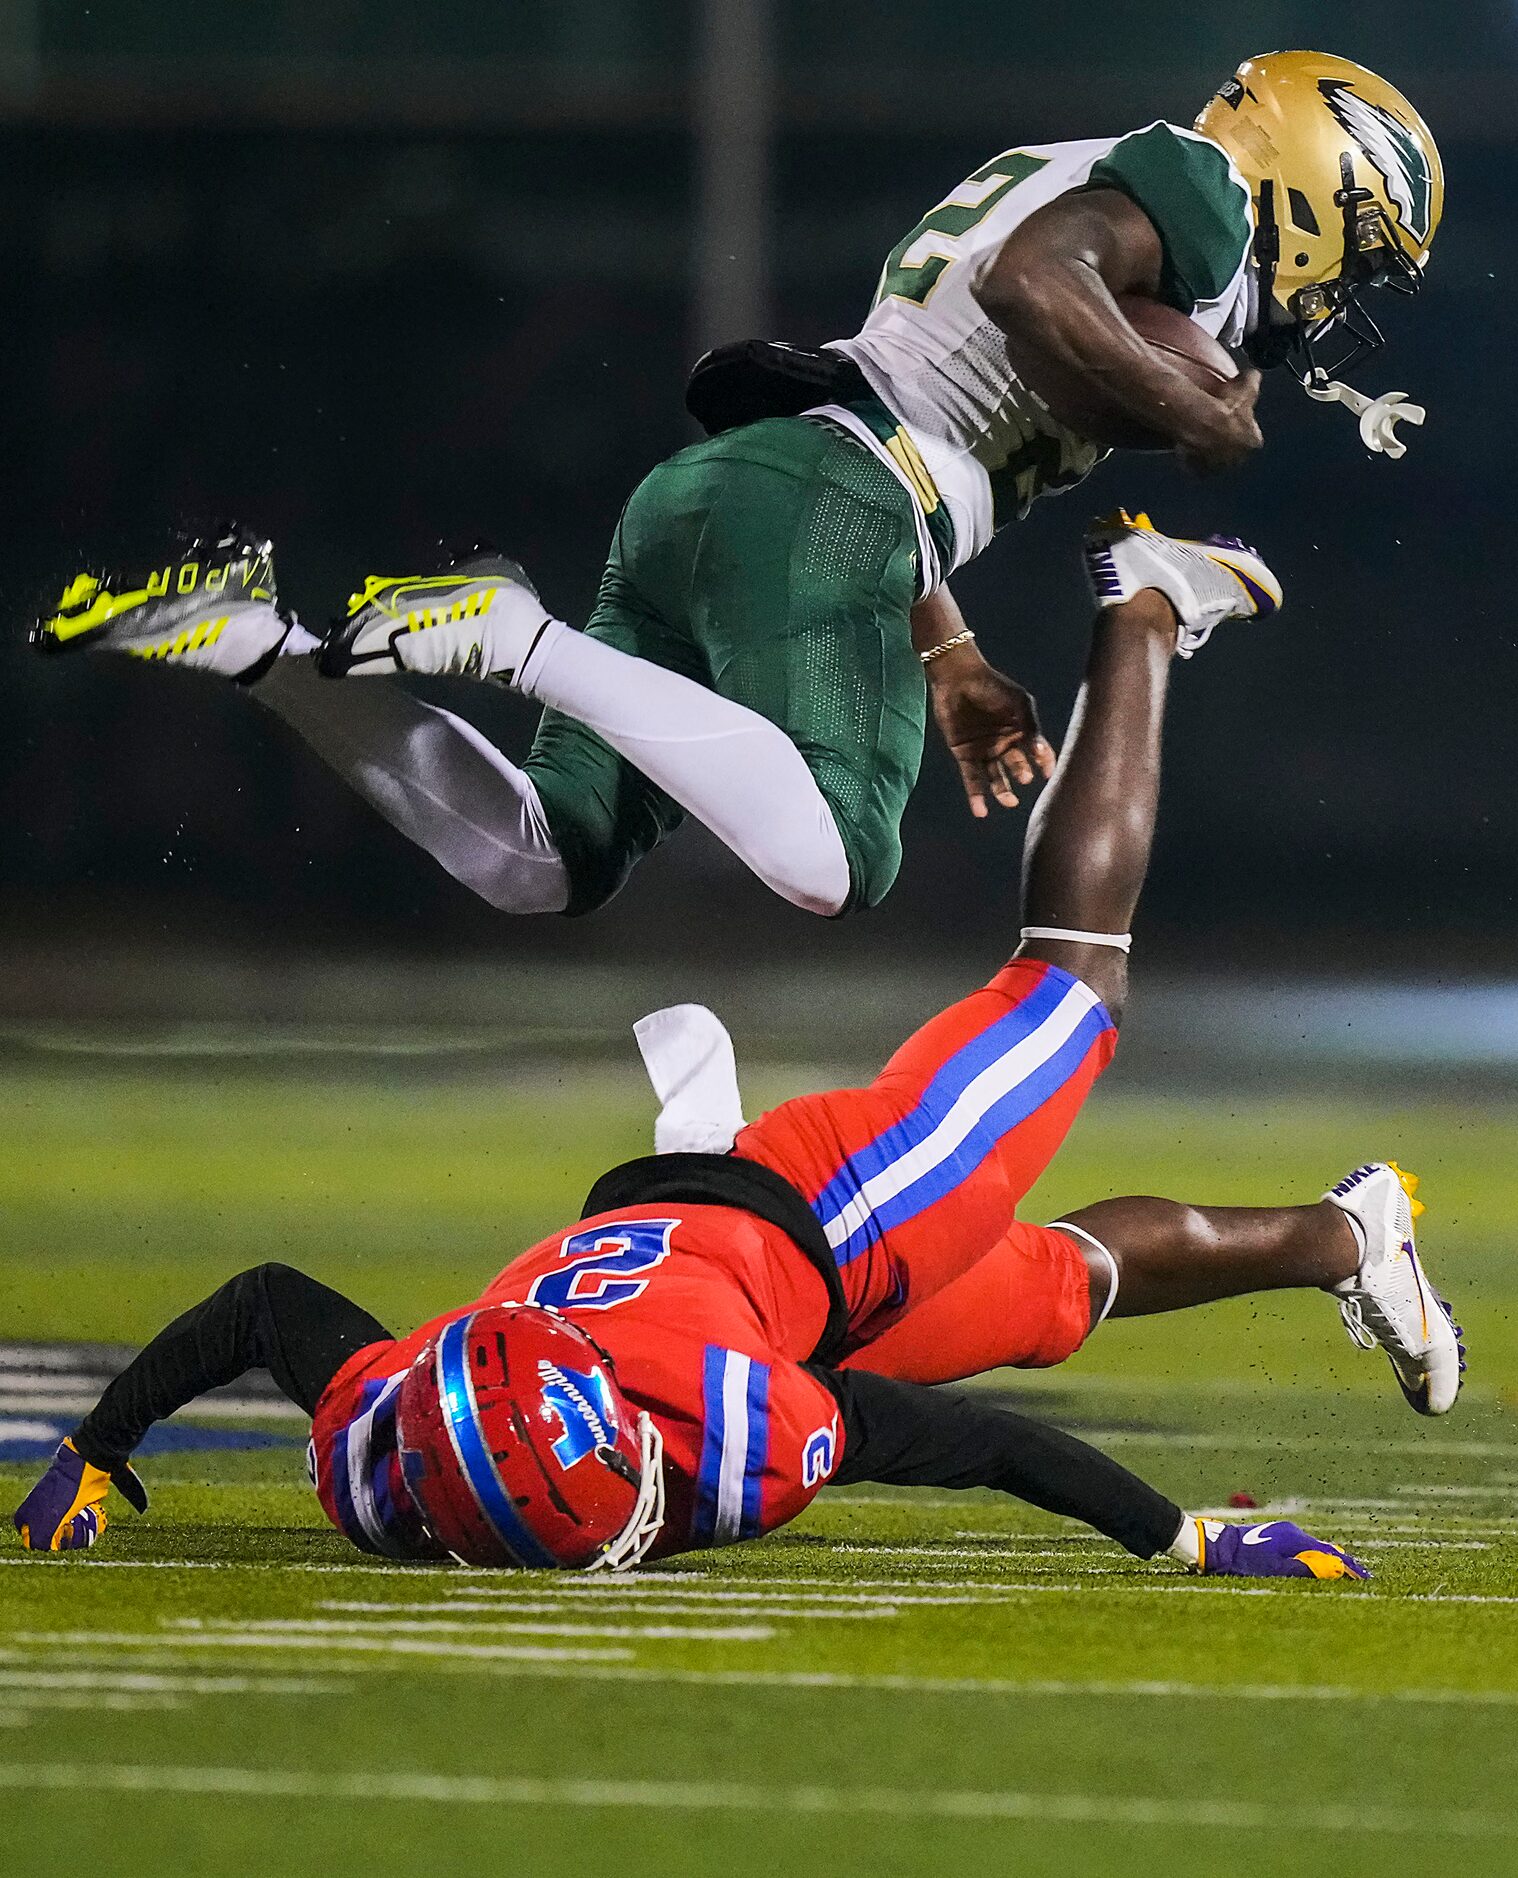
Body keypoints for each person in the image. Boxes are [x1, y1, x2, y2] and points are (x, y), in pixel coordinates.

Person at [15, 524, 1463, 1574]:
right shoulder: (395, 1445)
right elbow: (266, 1306)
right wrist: (100, 1441)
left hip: (835, 1206)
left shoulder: (719, 1425)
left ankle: (1142, 607)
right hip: (725, 1260)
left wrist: (1186, 1538)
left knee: (1070, 984)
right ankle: (1345, 1233)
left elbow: (989, 1450)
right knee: (1053, 1291)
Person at [32, 53, 1440, 920]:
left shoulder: (1105, 184)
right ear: (1315, 176)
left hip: (741, 491)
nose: (1341, 295)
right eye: (1359, 251)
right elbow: (1024, 283)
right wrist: (1199, 409)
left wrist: (944, 650)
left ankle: (269, 651)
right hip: (830, 500)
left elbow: (924, 367)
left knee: (546, 858)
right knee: (835, 859)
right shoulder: (1193, 189)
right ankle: (510, 636)